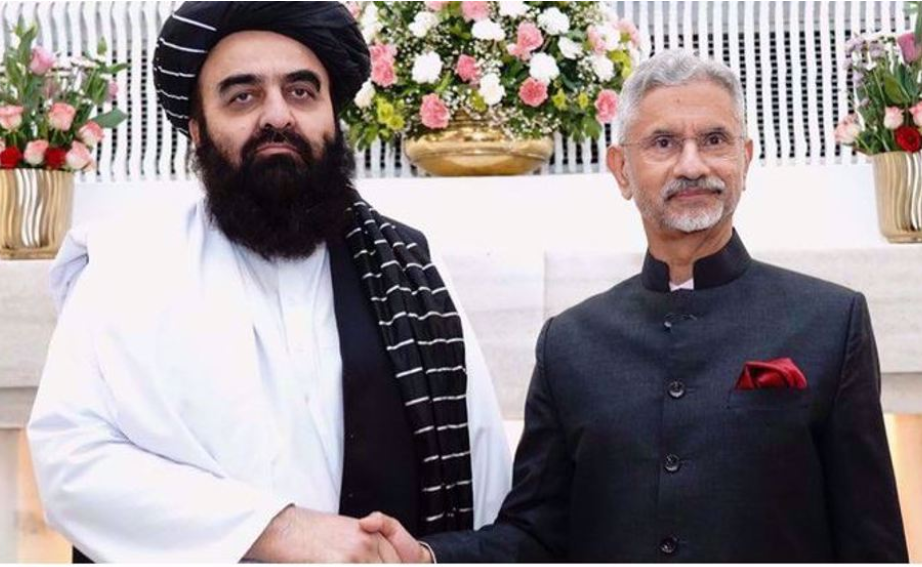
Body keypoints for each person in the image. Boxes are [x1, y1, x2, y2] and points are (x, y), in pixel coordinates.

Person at [361, 49, 909, 562]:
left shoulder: (830, 322)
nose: (693, 165)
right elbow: (536, 534)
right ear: (622, 169)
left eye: (715, 140)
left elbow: (872, 544)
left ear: (744, 159)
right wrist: (430, 557)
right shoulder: (569, 343)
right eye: (664, 143)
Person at [27, 2, 511, 562]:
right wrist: (276, 531)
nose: (277, 116)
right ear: (198, 132)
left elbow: (487, 474)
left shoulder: (411, 268)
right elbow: (71, 463)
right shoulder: (128, 268)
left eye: (302, 92)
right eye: (242, 96)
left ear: (332, 118)